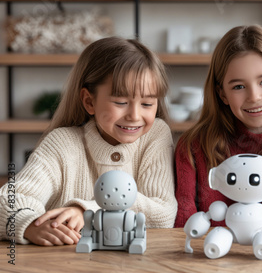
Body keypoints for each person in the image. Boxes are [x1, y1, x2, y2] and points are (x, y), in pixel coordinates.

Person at [0, 37, 178, 246]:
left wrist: (87, 211)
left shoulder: (155, 135)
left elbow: (163, 215)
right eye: (121, 102)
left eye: (147, 103)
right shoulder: (62, 143)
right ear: (89, 101)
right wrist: (29, 224)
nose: (135, 115)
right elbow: (8, 200)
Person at [174, 25, 262, 227]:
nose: (254, 97)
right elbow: (183, 229)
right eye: (239, 87)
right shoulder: (193, 148)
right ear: (222, 93)